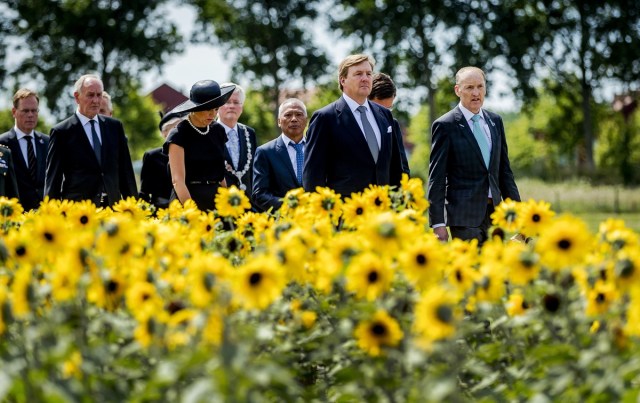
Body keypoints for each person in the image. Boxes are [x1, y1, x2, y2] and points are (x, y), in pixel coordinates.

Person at [428, 66, 521, 245]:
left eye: (480, 86)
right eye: (469, 87)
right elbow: (436, 179)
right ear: (458, 90)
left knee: (495, 269)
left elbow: (505, 173)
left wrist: (521, 213)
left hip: (496, 216)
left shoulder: (495, 122)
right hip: (463, 217)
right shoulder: (445, 125)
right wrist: (438, 223)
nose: (476, 93)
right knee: (471, 269)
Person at [303, 54, 403, 197]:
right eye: (358, 74)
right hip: (345, 213)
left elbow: (395, 169)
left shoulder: (384, 115)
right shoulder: (325, 118)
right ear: (343, 80)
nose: (365, 78)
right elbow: (312, 176)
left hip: (383, 212)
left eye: (369, 74)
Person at [45, 74, 138, 207]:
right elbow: (53, 180)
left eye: (99, 95)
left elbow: (126, 173)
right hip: (79, 213)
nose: (96, 100)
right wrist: (51, 214)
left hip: (113, 208)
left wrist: (134, 209)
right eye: (90, 95)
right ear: (77, 97)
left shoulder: (115, 127)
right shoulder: (62, 132)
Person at [163, 80, 235, 211]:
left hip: (216, 200)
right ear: (194, 108)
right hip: (187, 200)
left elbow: (220, 174)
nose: (213, 114)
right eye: (208, 109)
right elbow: (177, 181)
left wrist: (228, 202)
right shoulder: (178, 134)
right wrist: (192, 211)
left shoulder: (218, 130)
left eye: (216, 109)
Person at [252, 98, 307, 212]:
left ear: (306, 120)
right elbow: (259, 194)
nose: (294, 119)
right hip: (281, 221)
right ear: (279, 121)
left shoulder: (317, 149)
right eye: (288, 115)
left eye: (299, 114)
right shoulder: (265, 152)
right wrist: (289, 206)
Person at [0, 88, 49, 210]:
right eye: (25, 111)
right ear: (14, 112)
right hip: (14, 216)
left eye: (34, 110)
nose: (30, 115)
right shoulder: (2, 143)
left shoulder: (47, 142)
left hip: (44, 216)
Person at [217, 83, 257, 200]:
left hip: (248, 204)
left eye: (236, 102)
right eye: (227, 102)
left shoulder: (249, 133)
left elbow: (254, 171)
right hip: (219, 203)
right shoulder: (208, 133)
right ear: (218, 106)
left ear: (242, 107)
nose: (231, 106)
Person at [139, 111, 184, 209]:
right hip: (161, 210)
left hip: (187, 206)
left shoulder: (190, 153)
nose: (179, 132)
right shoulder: (152, 156)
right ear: (164, 133)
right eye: (174, 128)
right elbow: (144, 191)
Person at [368, 73, 410, 177]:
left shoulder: (393, 125)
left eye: (388, 109)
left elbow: (403, 166)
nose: (383, 113)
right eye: (379, 108)